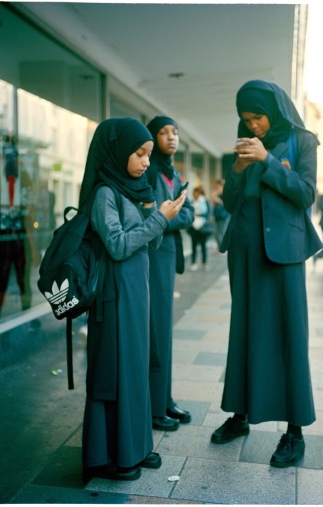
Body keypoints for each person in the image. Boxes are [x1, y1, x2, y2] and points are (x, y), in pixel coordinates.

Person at [211, 80, 323, 468]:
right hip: (244, 248)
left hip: (284, 252)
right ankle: (239, 415)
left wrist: (267, 162)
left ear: (272, 111)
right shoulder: (245, 141)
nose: (253, 125)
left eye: (257, 117)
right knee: (243, 331)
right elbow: (229, 200)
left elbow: (306, 193)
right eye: (246, 119)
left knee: (290, 335)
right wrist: (239, 169)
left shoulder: (302, 140)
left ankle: (295, 432)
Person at [78, 118, 186, 482]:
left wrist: (156, 213)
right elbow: (119, 245)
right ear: (117, 151)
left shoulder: (130, 188)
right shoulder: (105, 193)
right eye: (139, 154)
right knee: (117, 372)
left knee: (137, 367)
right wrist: (158, 219)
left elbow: (149, 241)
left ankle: (136, 448)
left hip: (136, 292)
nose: (144, 162)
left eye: (148, 155)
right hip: (115, 295)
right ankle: (111, 455)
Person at [146, 116, 195, 432]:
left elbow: (185, 212)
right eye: (163, 133)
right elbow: (154, 214)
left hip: (166, 257)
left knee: (164, 332)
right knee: (156, 332)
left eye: (175, 132)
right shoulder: (149, 170)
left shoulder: (172, 172)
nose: (171, 137)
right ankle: (153, 407)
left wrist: (171, 215)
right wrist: (171, 215)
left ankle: (165, 399)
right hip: (153, 258)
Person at [188, 185, 212, 271]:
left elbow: (208, 214)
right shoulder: (191, 201)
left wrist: (198, 214)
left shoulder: (205, 201)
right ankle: (193, 263)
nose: (194, 194)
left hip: (203, 227)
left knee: (203, 246)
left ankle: (204, 263)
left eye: (196, 192)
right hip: (193, 227)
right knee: (193, 246)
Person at [211, 178, 230, 251]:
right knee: (217, 233)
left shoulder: (224, 192)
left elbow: (216, 198)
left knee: (221, 232)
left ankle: (223, 248)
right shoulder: (217, 192)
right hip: (218, 215)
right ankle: (221, 248)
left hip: (223, 215)